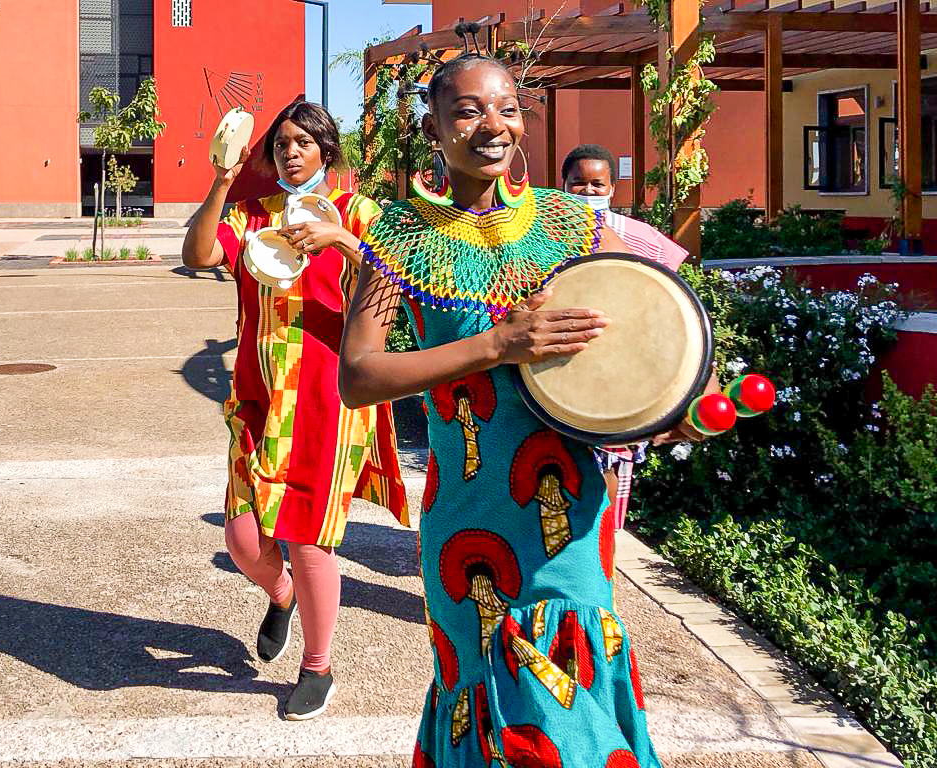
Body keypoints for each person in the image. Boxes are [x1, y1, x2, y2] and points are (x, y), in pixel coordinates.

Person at [339, 53, 711, 767]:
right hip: (467, 515)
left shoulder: (574, 223)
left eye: (507, 108)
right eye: (469, 109)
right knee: (479, 690)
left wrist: (672, 408)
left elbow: (636, 340)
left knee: (564, 704)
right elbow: (358, 375)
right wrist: (498, 344)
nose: (493, 124)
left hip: (569, 503)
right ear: (433, 126)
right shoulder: (398, 235)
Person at [181, 101, 407, 720]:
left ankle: (318, 667)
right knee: (243, 539)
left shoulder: (360, 213)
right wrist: (223, 177)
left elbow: (403, 283)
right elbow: (199, 255)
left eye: (304, 141)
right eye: (282, 142)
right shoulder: (252, 215)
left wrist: (341, 238)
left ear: (327, 150)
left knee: (308, 539)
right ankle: (279, 595)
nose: (291, 150)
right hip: (256, 394)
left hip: (328, 400)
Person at [562, 143, 689, 528]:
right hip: (565, 360)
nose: (588, 192)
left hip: (622, 364)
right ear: (563, 185)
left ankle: (604, 545)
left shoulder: (641, 236)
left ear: (613, 188)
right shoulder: (543, 232)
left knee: (614, 456)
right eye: (578, 183)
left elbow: (671, 296)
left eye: (597, 184)